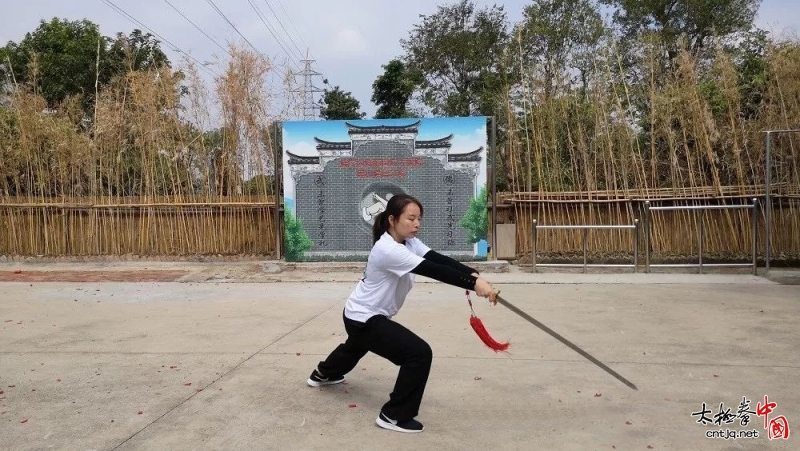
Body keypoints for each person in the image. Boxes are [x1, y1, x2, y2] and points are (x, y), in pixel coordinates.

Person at [306, 193, 499, 433]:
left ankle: (323, 374)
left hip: (357, 314)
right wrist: (472, 285)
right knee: (418, 354)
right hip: (364, 318)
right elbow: (431, 269)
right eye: (411, 218)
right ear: (392, 219)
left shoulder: (408, 242)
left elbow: (438, 259)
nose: (417, 224)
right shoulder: (388, 249)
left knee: (356, 345)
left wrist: (473, 274)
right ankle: (393, 416)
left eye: (419, 219)